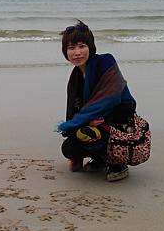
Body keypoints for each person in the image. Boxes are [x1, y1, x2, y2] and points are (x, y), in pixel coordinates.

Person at [57, 20, 137, 182]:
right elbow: (74, 109)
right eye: (71, 48)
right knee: (69, 147)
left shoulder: (106, 62)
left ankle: (118, 165)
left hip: (120, 123)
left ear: (90, 47)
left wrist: (85, 120)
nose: (77, 52)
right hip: (93, 122)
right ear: (66, 52)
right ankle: (100, 160)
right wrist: (78, 124)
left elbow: (112, 97)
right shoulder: (76, 76)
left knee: (87, 134)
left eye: (82, 46)